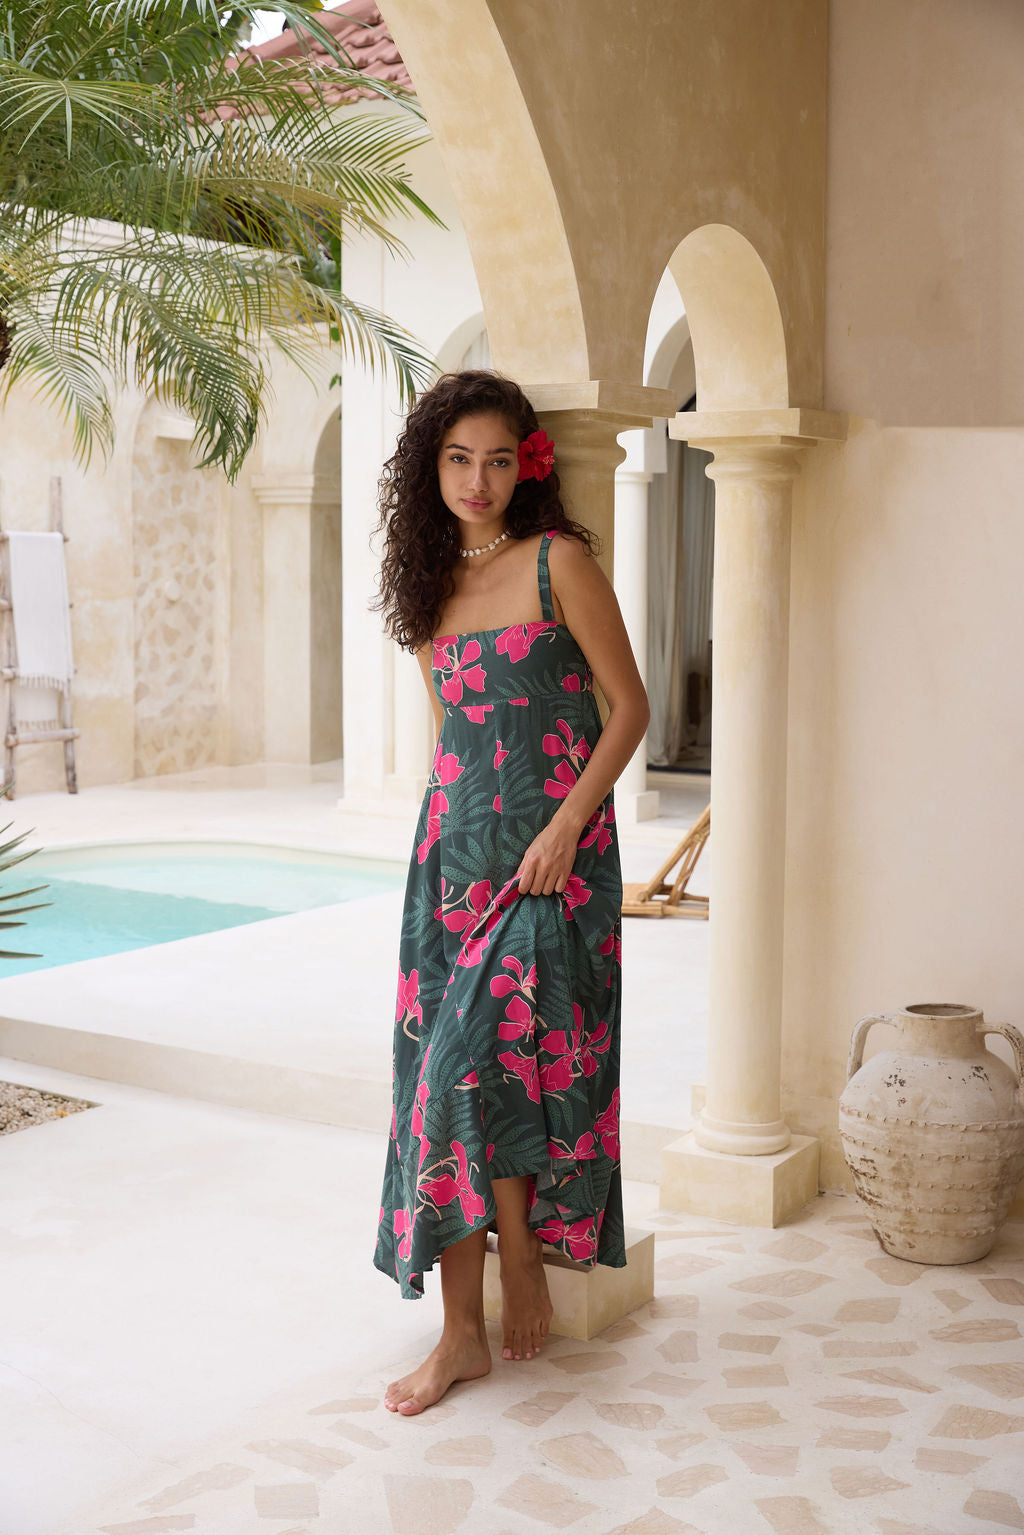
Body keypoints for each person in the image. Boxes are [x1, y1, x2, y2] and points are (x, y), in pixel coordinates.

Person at [372, 370, 650, 1416]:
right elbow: (452, 735)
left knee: (489, 1067)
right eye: (456, 458)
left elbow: (628, 706)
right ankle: (460, 1333)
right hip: (451, 860)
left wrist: (568, 822)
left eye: (495, 458)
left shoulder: (558, 562)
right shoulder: (426, 585)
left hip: (553, 860)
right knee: (438, 1084)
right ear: (428, 467)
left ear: (524, 463)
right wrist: (444, 849)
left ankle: (522, 1253)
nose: (476, 479)